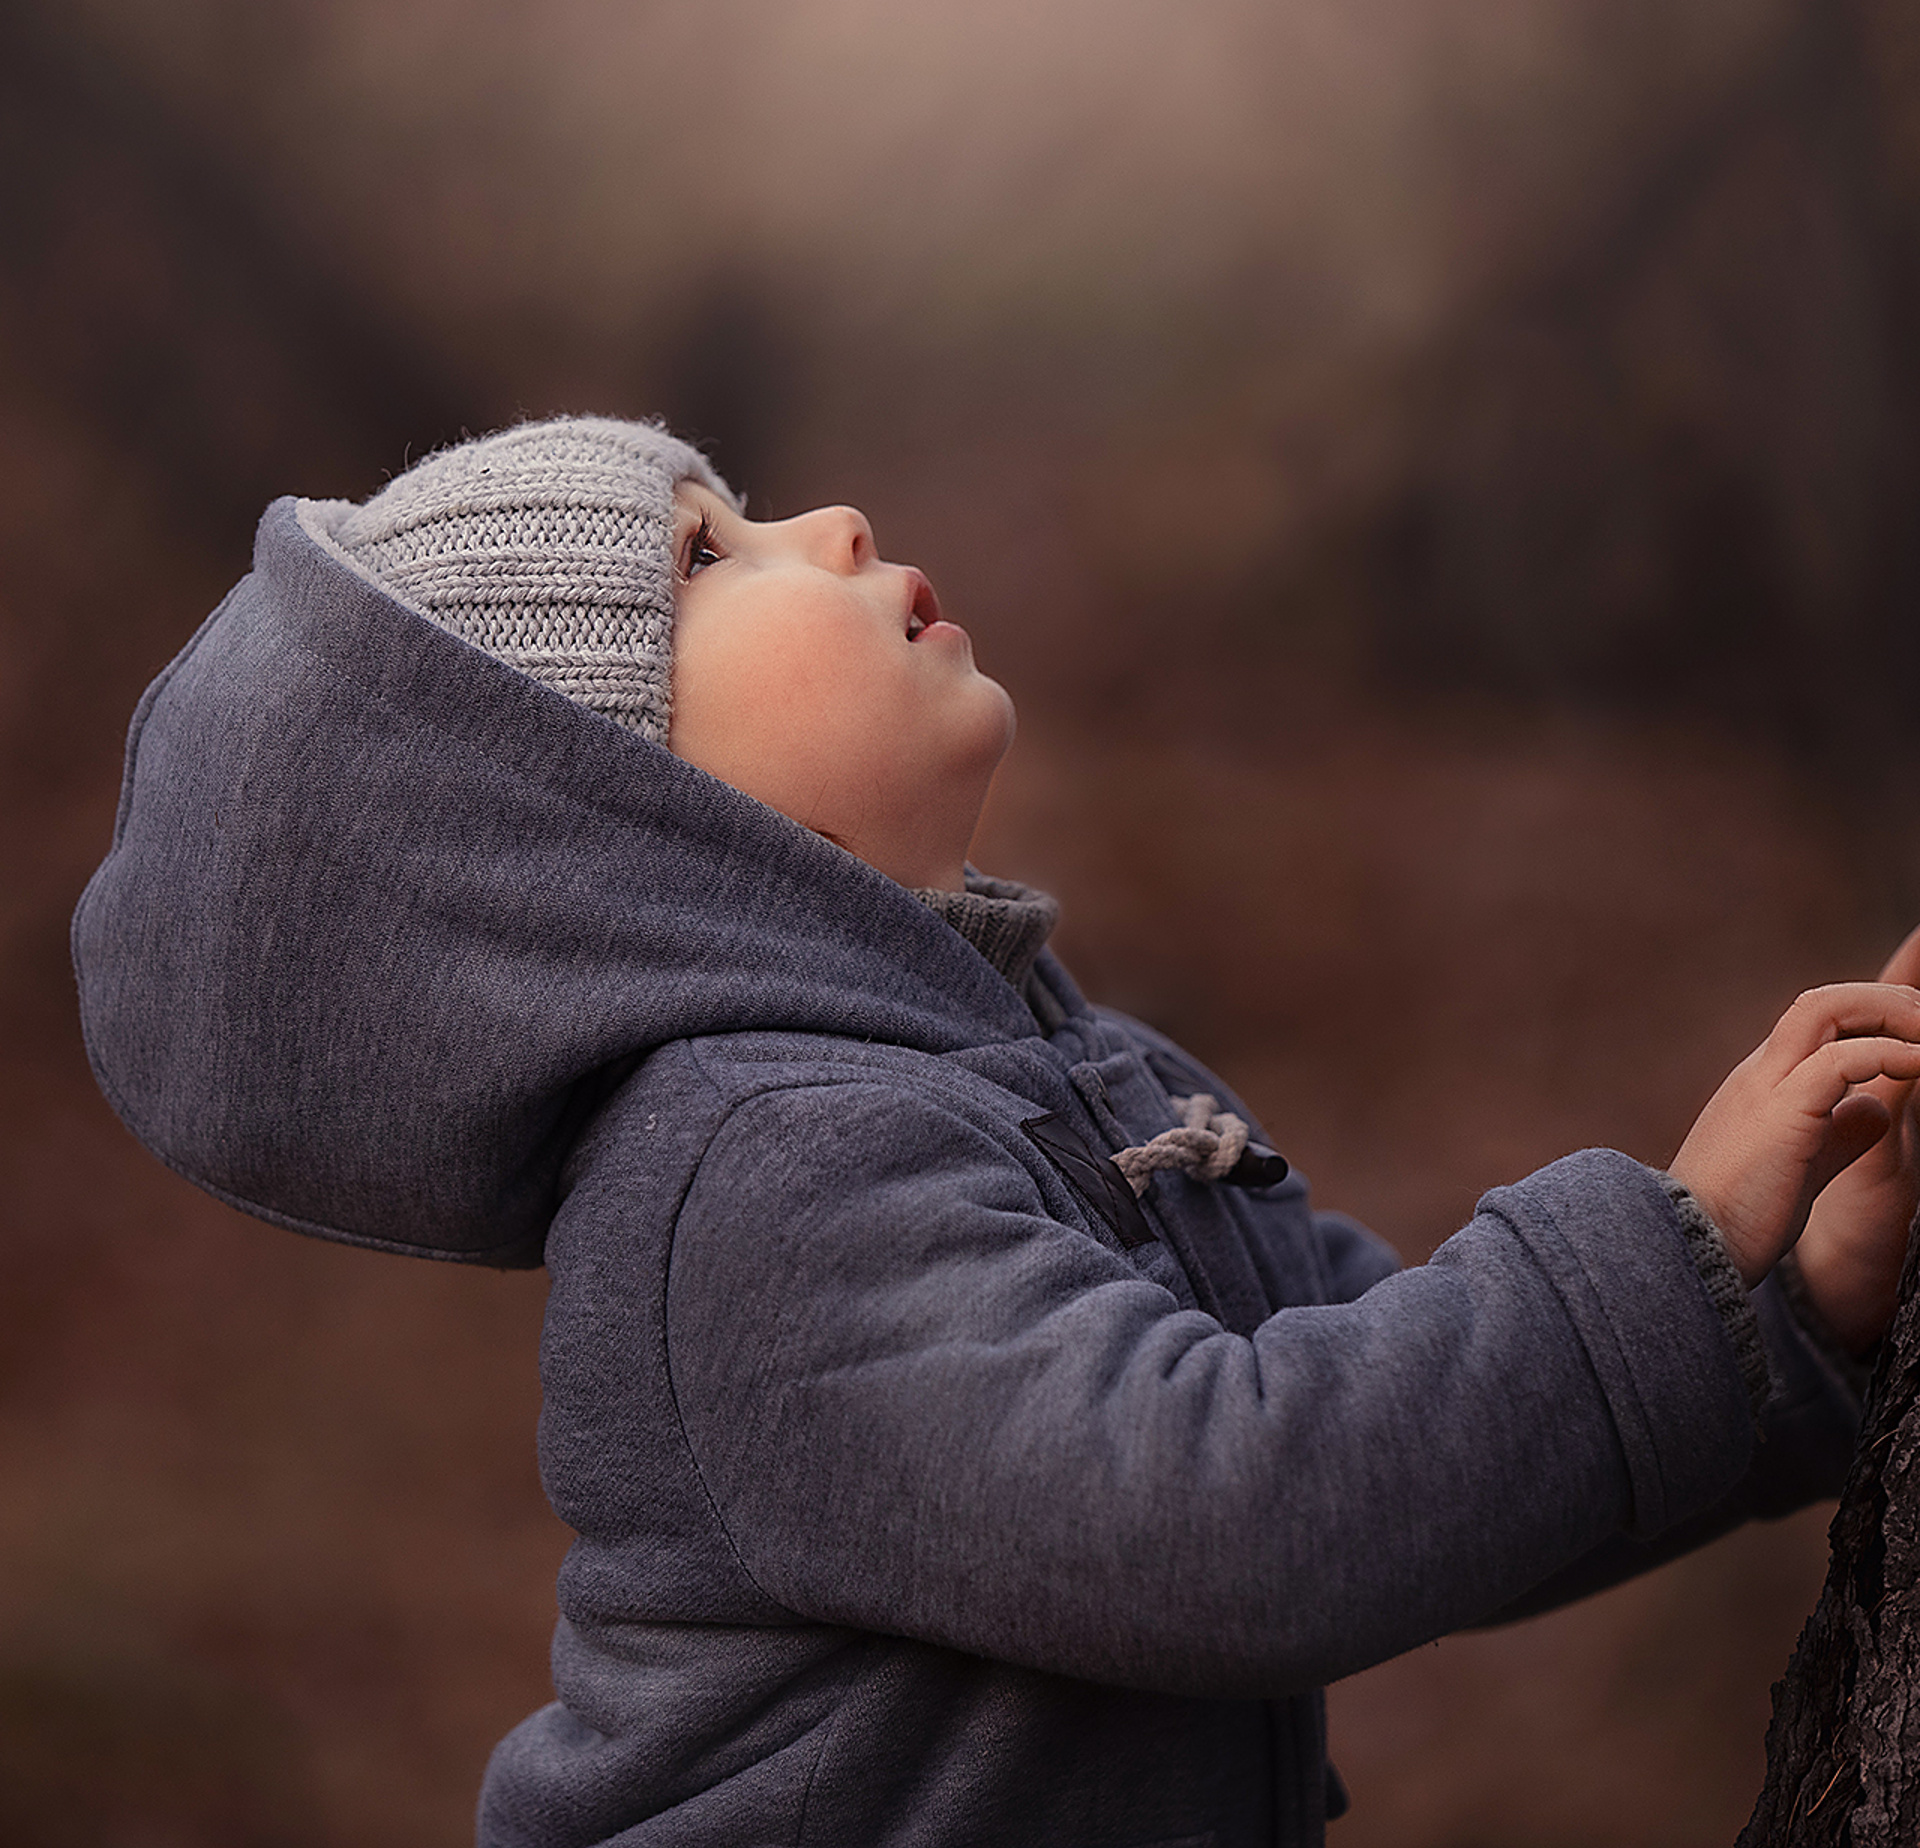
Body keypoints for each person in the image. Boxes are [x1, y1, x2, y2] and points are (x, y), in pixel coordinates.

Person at [72, 416, 1920, 1848]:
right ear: (611, 824)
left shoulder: (1042, 1065)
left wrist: (1778, 1313)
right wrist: (1671, 1242)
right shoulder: (764, 1181)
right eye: (706, 558)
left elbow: (1399, 1442)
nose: (831, 526)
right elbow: (1239, 1524)